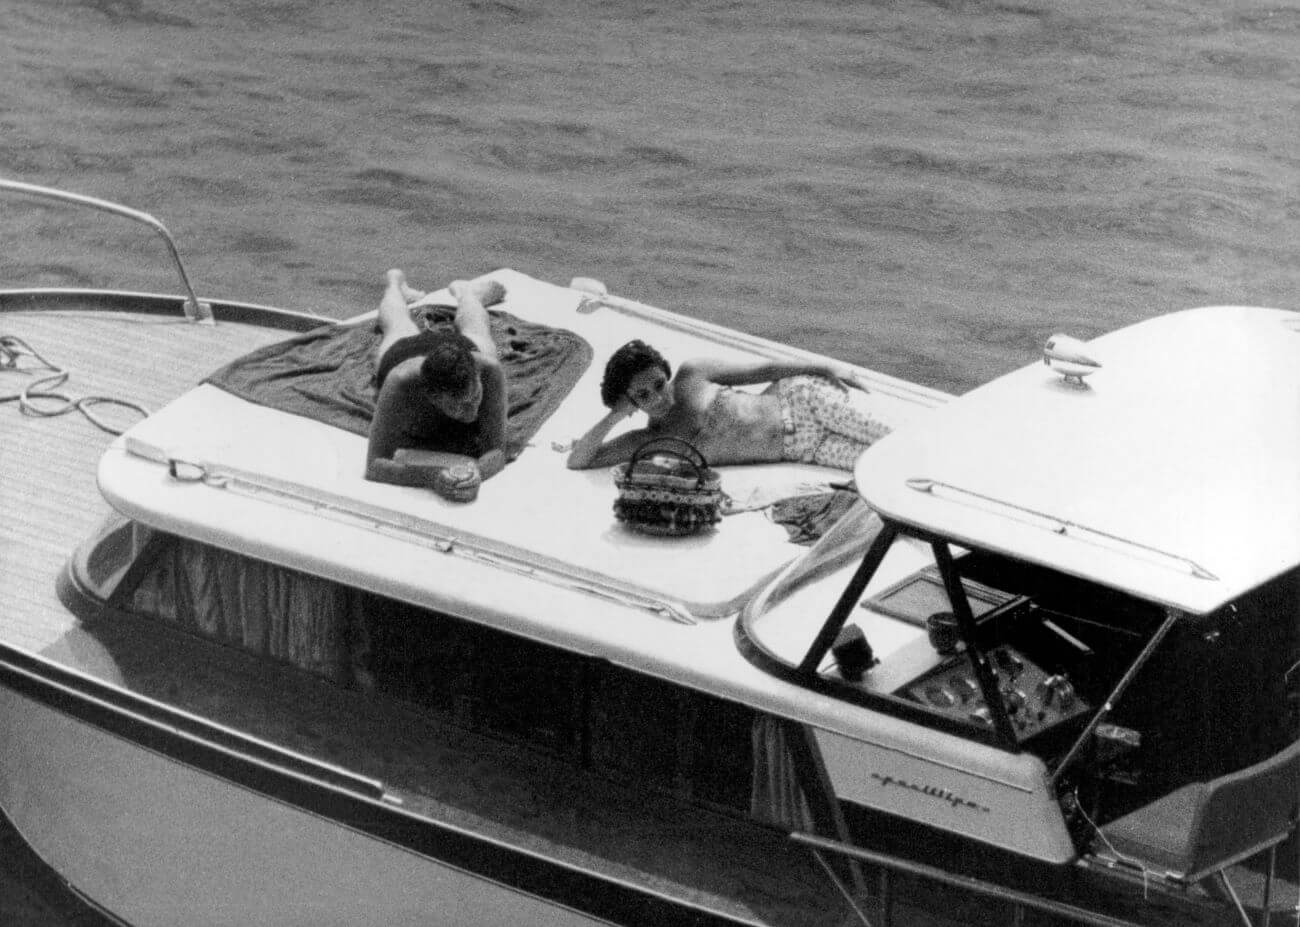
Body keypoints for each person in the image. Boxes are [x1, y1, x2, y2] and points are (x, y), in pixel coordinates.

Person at [566, 340, 890, 471]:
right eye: (643, 396)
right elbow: (579, 460)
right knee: (882, 468)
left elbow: (765, 370)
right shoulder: (649, 441)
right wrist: (616, 415)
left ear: (666, 373)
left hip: (803, 401)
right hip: (806, 449)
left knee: (894, 442)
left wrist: (825, 367)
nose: (658, 397)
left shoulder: (694, 374)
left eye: (658, 384)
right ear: (631, 402)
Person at [365, 269, 507, 501]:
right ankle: (395, 281)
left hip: (459, 348)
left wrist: (473, 474)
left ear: (476, 377)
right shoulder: (400, 382)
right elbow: (375, 465)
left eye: (474, 398)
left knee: (479, 330)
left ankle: (468, 294)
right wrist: (431, 477)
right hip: (405, 353)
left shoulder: (488, 370)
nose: (471, 414)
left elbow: (497, 451)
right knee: (395, 323)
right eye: (457, 407)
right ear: (432, 397)